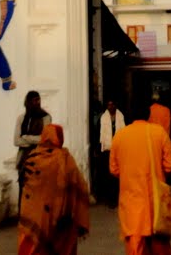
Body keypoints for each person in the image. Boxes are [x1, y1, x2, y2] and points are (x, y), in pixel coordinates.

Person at [110, 97, 171, 255]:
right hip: (155, 201)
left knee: (135, 246)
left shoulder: (119, 136)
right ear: (148, 114)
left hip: (131, 202)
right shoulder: (158, 132)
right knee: (160, 246)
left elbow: (114, 170)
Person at [18, 123, 90, 255]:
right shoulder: (65, 159)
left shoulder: (32, 158)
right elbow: (81, 188)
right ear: (59, 138)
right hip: (61, 221)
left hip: (34, 217)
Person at [15, 90, 52, 202]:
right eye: (34, 100)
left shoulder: (46, 117)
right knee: (24, 191)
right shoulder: (21, 118)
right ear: (28, 102)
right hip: (24, 160)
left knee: (39, 192)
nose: (37, 102)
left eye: (38, 100)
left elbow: (45, 139)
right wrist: (34, 140)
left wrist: (26, 137)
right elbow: (16, 141)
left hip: (40, 159)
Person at [99, 99, 126, 206]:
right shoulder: (103, 117)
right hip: (107, 149)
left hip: (118, 149)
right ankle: (110, 199)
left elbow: (123, 132)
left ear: (115, 105)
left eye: (112, 104)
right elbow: (100, 134)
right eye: (108, 104)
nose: (110, 106)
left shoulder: (120, 116)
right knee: (108, 174)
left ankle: (117, 197)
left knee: (117, 175)